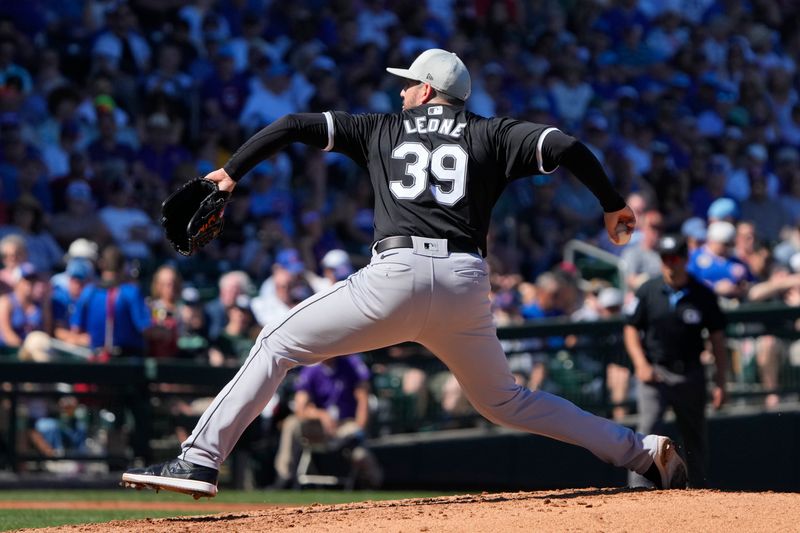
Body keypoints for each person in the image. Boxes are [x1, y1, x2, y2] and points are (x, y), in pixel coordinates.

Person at [122, 48, 686, 498]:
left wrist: (229, 173)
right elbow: (564, 145)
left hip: (394, 277)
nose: (400, 89)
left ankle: (198, 459)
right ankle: (640, 451)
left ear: (425, 90)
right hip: (466, 282)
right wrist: (611, 202)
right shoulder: (491, 133)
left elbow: (295, 124)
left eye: (407, 81)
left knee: (276, 342)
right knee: (504, 401)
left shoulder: (383, 128)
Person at [624, 235, 728, 488]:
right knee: (646, 433)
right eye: (665, 258)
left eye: (675, 258)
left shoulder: (702, 294)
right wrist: (641, 364)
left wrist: (721, 382)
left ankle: (699, 490)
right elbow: (630, 329)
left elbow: (717, 338)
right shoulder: (648, 290)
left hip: (690, 372)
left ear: (685, 259)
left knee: (694, 436)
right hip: (655, 371)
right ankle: (639, 490)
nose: (670, 263)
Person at [271, 354, 382, 489]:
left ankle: (374, 483)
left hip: (345, 425)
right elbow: (300, 409)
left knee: (361, 455)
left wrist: (360, 429)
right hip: (319, 427)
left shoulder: (351, 364)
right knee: (291, 423)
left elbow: (363, 399)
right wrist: (321, 415)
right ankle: (284, 477)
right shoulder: (312, 367)